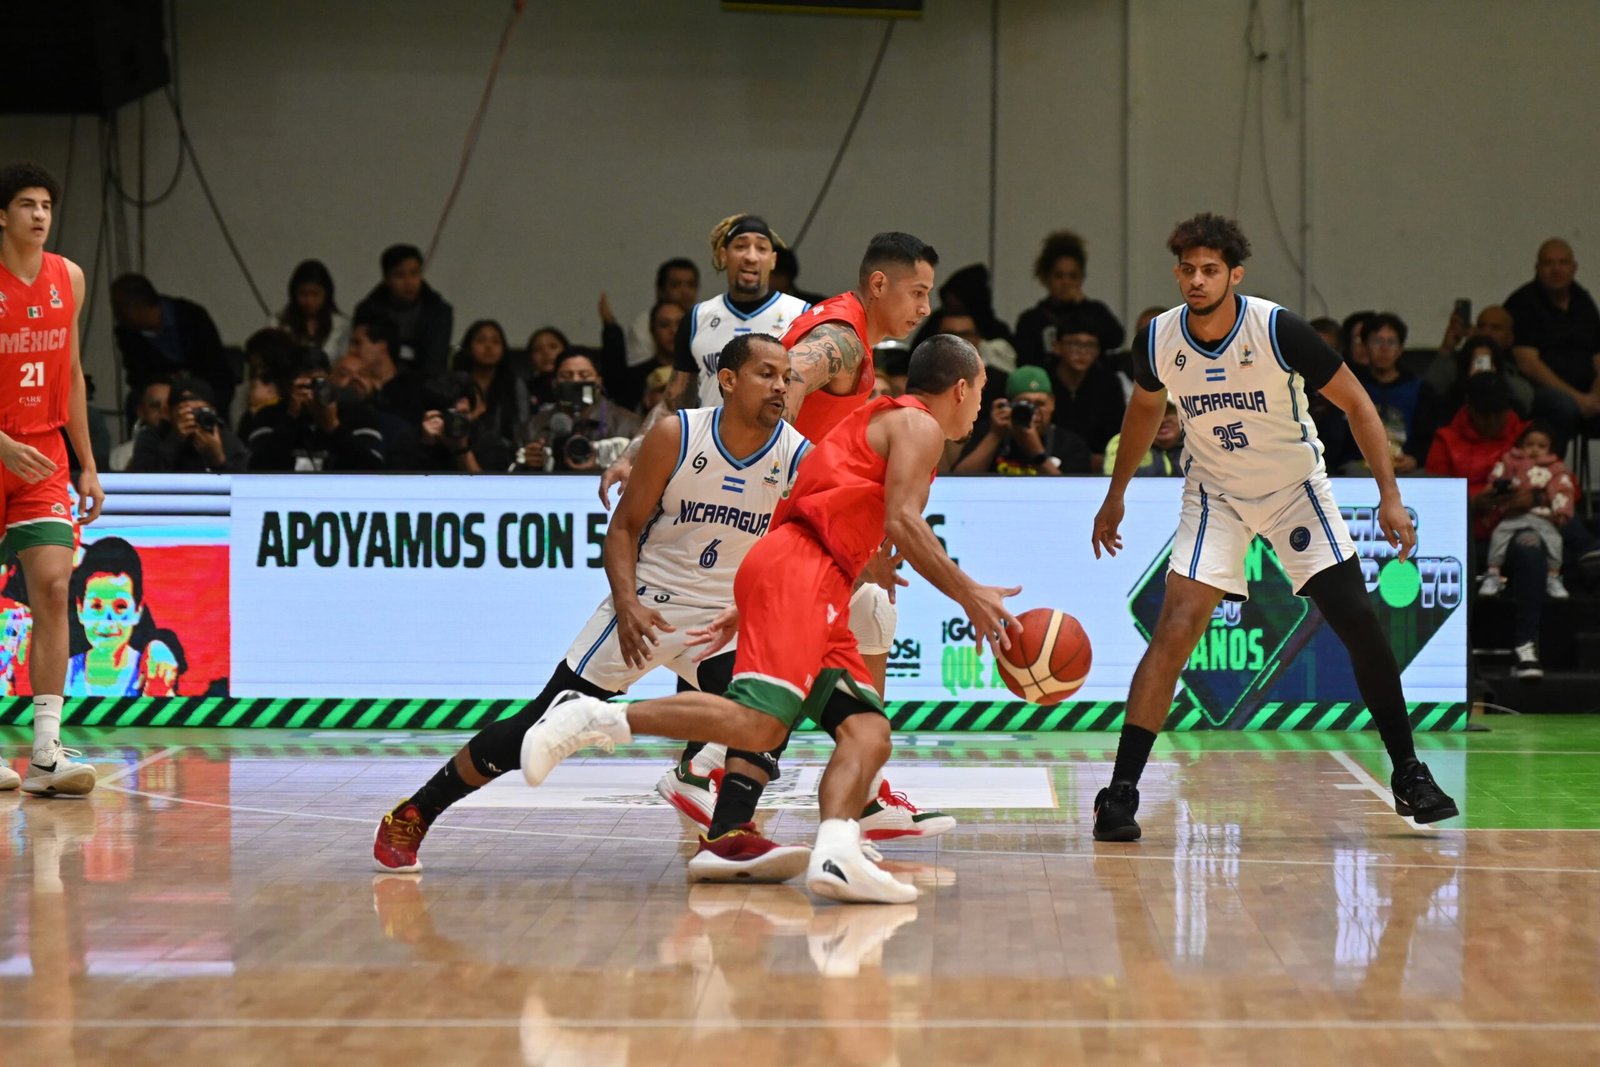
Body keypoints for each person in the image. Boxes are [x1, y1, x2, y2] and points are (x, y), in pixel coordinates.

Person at [520, 335, 1018, 904]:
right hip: (804, 573)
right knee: (760, 727)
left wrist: (750, 599)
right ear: (962, 388)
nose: (981, 406)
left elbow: (802, 504)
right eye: (983, 391)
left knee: (868, 733)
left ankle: (837, 854)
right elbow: (902, 522)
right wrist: (970, 594)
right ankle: (594, 716)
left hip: (808, 574)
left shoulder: (880, 420)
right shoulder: (918, 425)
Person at [374, 333, 812, 877]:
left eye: (786, 376)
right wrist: (627, 606)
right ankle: (416, 811)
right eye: (767, 374)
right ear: (727, 380)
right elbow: (623, 529)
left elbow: (812, 537)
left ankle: (728, 833)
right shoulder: (677, 435)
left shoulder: (797, 453)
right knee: (540, 725)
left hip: (723, 616)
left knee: (767, 714)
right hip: (650, 604)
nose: (781, 386)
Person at [1089, 212, 1457, 842]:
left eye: (1210, 270)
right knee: (1175, 629)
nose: (1197, 280)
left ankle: (1409, 773)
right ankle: (1120, 793)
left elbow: (1358, 404)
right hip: (1216, 495)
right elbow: (1145, 411)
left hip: (1294, 492)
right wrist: (1115, 492)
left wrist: (1390, 495)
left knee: (1358, 621)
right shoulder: (1157, 338)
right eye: (1187, 269)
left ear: (1234, 275)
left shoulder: (1278, 329)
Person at [0, 161, 103, 796]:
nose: (39, 215)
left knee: (55, 586)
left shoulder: (70, 278)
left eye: (46, 205)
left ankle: (44, 753)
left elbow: (70, 374)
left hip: (42, 453)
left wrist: (87, 462)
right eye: (26, 204)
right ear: (1, 215)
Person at [1503, 239, 1600, 452]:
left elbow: (1597, 355)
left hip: (1587, 392)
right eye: (1549, 263)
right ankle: (1549, 470)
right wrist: (1579, 400)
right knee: (1562, 405)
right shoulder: (1523, 303)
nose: (1556, 269)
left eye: (1563, 263)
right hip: (1540, 391)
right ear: (1537, 268)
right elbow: (1528, 364)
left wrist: (1595, 395)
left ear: (1574, 268)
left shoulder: (1583, 301)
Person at [110, 271, 234, 423]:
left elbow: (214, 361)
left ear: (138, 306)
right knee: (136, 400)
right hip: (161, 387)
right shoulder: (127, 333)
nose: (117, 316)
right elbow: (136, 375)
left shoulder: (191, 315)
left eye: (120, 308)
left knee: (216, 393)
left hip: (203, 381)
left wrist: (188, 381)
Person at [66, 536, 181, 696]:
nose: (107, 620)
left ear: (137, 611)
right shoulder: (63, 675)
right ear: (80, 609)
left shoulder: (152, 673)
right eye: (96, 606)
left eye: (120, 607)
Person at [1478, 424, 1576, 602]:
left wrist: (1561, 510)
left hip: (1540, 516)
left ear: (1550, 448)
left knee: (1554, 540)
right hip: (1513, 514)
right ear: (1521, 445)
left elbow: (1563, 490)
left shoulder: (1555, 468)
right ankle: (1493, 573)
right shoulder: (1510, 462)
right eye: (1530, 444)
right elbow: (1496, 481)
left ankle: (1553, 575)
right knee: (1499, 536)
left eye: (1541, 446)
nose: (1535, 449)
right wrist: (1495, 492)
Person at [519, 350, 641, 473]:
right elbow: (514, 473)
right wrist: (529, 464)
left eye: (584, 375)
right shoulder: (533, 426)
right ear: (555, 382)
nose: (576, 381)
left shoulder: (629, 424)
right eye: (566, 376)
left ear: (599, 381)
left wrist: (599, 469)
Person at [1014, 230, 1124, 365]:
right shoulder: (1031, 320)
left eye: (1073, 276)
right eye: (1058, 276)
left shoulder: (1096, 311)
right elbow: (1025, 361)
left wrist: (1084, 306)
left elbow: (1116, 339)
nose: (1066, 283)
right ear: (1046, 278)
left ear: (1081, 279)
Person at [954, 365, 1087, 475]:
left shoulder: (1071, 444)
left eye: (1040, 404)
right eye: (1025, 404)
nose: (1033, 411)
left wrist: (1037, 453)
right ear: (1008, 404)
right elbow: (959, 481)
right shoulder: (990, 431)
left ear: (1052, 403)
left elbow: (1072, 493)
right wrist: (995, 436)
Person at [1347, 312, 1437, 474]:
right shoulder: (1352, 387)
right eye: (1377, 341)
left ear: (1400, 349)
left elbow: (1428, 436)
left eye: (1391, 342)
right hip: (1361, 467)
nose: (1384, 349)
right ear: (1366, 347)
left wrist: (1415, 458)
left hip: (1405, 466)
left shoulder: (1419, 389)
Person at [352, 243, 454, 379]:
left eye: (414, 273)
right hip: (376, 380)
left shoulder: (438, 312)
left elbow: (435, 362)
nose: (409, 282)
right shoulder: (368, 311)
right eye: (400, 275)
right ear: (387, 279)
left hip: (424, 383)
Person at [1045, 309, 1126, 472]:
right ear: (1057, 346)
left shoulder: (1108, 384)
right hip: (1049, 462)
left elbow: (1117, 432)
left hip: (1098, 468)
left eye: (1090, 345)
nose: (1082, 352)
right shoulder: (1044, 380)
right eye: (1075, 344)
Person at [129, 375, 249, 474]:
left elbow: (242, 489)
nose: (194, 418)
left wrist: (218, 459)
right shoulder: (152, 437)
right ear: (168, 412)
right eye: (187, 412)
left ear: (213, 412)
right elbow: (143, 482)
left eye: (202, 411)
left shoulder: (227, 440)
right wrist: (174, 440)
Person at [451, 319, 529, 446]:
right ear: (469, 347)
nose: (489, 346)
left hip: (506, 451)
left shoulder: (515, 384)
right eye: (481, 340)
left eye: (495, 342)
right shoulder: (456, 382)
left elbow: (523, 427)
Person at [417, 372, 514, 473]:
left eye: (463, 413)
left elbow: (485, 483)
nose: (457, 421)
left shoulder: (489, 442)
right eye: (451, 415)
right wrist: (426, 444)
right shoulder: (416, 437)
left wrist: (462, 449)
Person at [625, 257, 699, 366]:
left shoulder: (706, 321)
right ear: (661, 290)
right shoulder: (642, 325)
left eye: (691, 285)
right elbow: (642, 370)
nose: (685, 291)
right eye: (676, 285)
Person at [276, 259, 349, 361]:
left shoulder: (342, 326)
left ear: (327, 294)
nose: (309, 301)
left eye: (315, 294)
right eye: (303, 294)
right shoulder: (278, 324)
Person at [1102, 398, 1183, 476]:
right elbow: (1116, 480)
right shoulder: (1125, 442)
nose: (1162, 420)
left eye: (1169, 411)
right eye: (1151, 414)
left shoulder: (1191, 442)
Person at [108, 376, 171, 472]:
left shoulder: (191, 450)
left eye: (170, 405)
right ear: (141, 411)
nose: (163, 412)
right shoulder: (120, 456)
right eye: (155, 406)